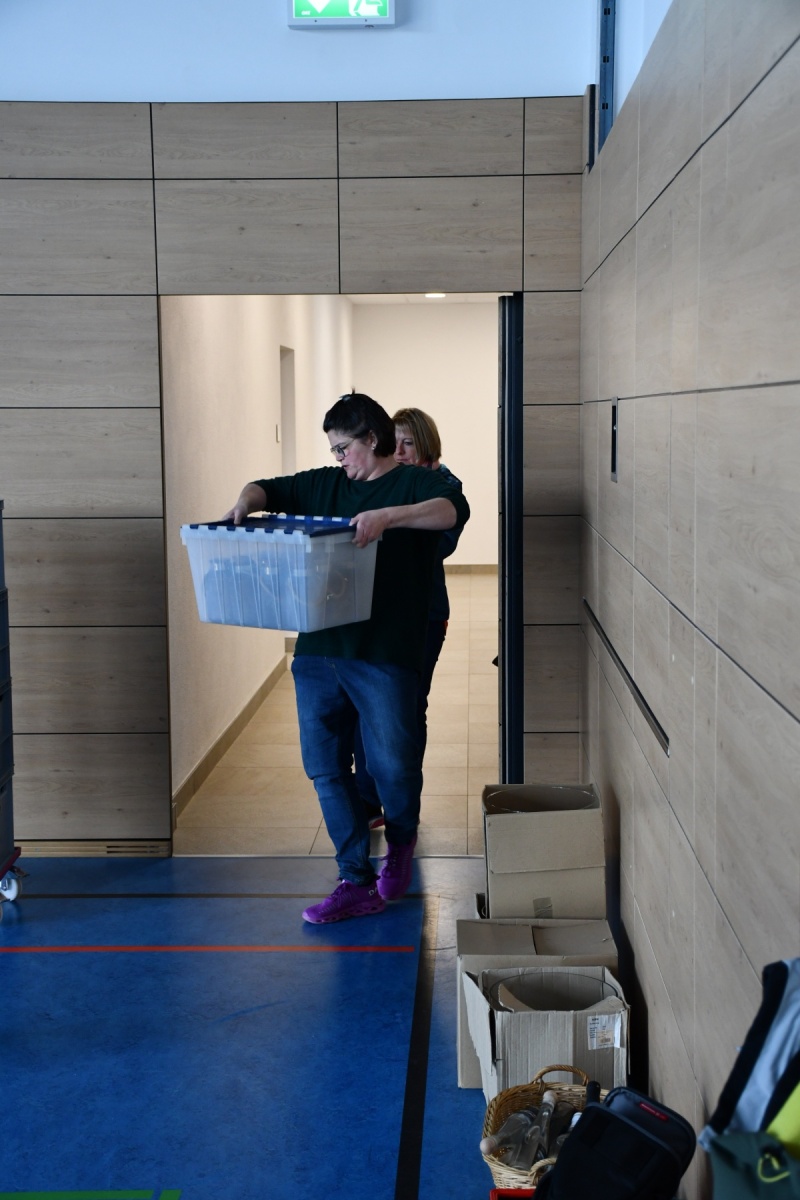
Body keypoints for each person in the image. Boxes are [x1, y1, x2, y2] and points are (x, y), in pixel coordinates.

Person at [221, 392, 470, 924]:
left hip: (384, 654)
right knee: (325, 767)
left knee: (391, 765)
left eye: (343, 449)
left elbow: (451, 511)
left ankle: (400, 840)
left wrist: (388, 518)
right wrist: (245, 502)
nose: (338, 459)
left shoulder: (417, 483)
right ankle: (353, 878)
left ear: (371, 440)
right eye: (333, 450)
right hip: (319, 651)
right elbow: (267, 488)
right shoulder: (326, 484)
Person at [355, 407, 465, 828]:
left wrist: (391, 519)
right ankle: (368, 801)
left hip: (424, 616)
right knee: (366, 705)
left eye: (408, 444)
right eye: (394, 443)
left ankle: (402, 803)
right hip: (375, 615)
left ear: (426, 447)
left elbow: (439, 546)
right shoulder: (379, 481)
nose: (399, 452)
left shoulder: (445, 488)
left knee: (409, 706)